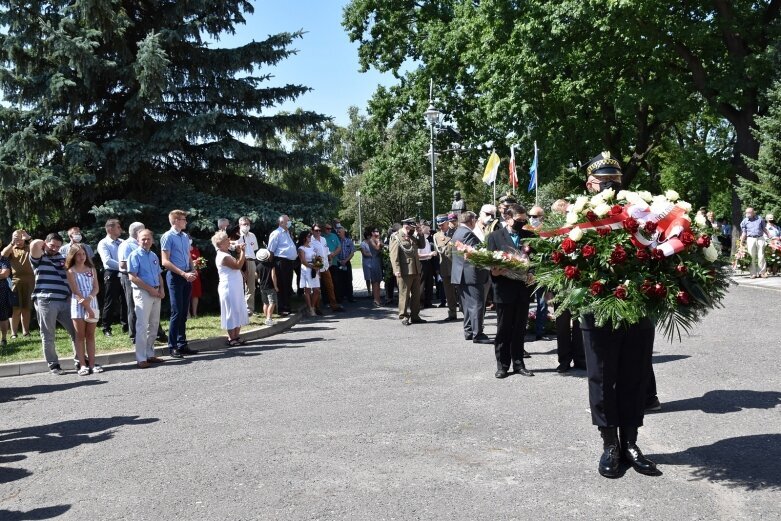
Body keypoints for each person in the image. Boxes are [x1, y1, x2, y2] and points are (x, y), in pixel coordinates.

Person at [581, 151, 660, 478]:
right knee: (602, 377)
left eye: (615, 182)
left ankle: (631, 441)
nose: (611, 188)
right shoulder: (577, 217)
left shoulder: (641, 212)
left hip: (638, 306)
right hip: (598, 309)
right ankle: (609, 444)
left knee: (635, 373)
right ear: (589, 184)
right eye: (604, 182)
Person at [487, 204, 535, 378]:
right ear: (508, 218)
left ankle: (519, 364)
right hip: (504, 289)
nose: (522, 223)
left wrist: (532, 273)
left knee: (520, 329)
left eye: (524, 220)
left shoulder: (529, 235)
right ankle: (502, 365)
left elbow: (535, 259)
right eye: (519, 220)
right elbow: (490, 260)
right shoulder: (494, 236)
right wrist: (494, 270)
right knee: (504, 329)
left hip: (523, 289)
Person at [29, 233, 78, 375]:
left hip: (64, 300)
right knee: (48, 334)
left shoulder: (63, 259)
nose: (55, 249)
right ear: (45, 243)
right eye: (52, 245)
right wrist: (40, 243)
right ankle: (54, 365)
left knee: (76, 332)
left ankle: (80, 360)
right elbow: (34, 245)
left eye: (58, 246)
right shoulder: (38, 258)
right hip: (45, 300)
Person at [160, 209, 198, 358]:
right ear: (176, 221)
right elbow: (165, 261)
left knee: (183, 311)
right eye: (183, 219)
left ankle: (182, 344)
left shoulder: (184, 236)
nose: (186, 222)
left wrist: (193, 270)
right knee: (176, 311)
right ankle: (173, 346)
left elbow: (188, 255)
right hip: (176, 277)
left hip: (187, 275)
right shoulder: (167, 236)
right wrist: (183, 273)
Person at [128, 229, 166, 368]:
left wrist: (161, 289)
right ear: (138, 240)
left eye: (148, 238)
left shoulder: (154, 256)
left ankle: (150, 354)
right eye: (143, 239)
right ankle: (141, 357)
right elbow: (132, 277)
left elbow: (159, 274)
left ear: (152, 240)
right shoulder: (134, 255)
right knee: (142, 325)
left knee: (154, 324)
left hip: (156, 292)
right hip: (143, 293)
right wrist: (150, 289)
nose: (146, 241)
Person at [451, 211, 490, 343]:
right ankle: (477, 334)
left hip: (461, 274)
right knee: (477, 304)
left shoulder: (458, 231)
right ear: (472, 220)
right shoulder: (467, 233)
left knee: (468, 305)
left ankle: (469, 331)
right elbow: (476, 253)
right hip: (471, 275)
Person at [65, 244, 102, 375]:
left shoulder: (91, 269)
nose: (82, 257)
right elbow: (75, 291)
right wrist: (87, 306)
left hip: (92, 302)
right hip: (78, 304)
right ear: (73, 256)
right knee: (80, 336)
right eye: (79, 254)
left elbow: (96, 287)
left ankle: (92, 364)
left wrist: (90, 299)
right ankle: (82, 365)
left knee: (91, 335)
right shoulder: (71, 271)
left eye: (83, 254)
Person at [213, 230, 249, 345]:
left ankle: (236, 336)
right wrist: (243, 252)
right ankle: (231, 338)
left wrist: (238, 251)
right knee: (231, 311)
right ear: (220, 244)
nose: (229, 242)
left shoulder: (227, 254)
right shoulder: (223, 256)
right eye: (226, 240)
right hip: (229, 286)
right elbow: (238, 265)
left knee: (238, 309)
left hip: (235, 285)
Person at [389, 218, 427, 326]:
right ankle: (404, 316)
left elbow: (422, 245)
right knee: (404, 294)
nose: (414, 228)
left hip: (415, 269)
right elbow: (393, 255)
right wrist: (396, 270)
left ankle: (415, 315)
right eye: (413, 226)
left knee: (416, 295)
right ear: (407, 225)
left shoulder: (412, 236)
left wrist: (420, 233)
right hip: (404, 270)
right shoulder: (396, 236)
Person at [97, 218, 127, 336]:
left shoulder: (122, 242)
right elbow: (107, 261)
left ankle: (126, 325)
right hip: (112, 273)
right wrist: (124, 266)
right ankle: (106, 327)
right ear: (110, 229)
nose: (120, 229)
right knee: (110, 300)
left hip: (124, 273)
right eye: (118, 227)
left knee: (126, 300)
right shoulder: (103, 243)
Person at [1, 230, 34, 338]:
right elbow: (3, 255)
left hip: (30, 281)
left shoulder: (29, 247)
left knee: (26, 307)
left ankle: (26, 332)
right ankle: (14, 333)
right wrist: (12, 243)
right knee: (16, 308)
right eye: (15, 237)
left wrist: (28, 238)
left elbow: (39, 249)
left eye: (19, 237)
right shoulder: (11, 249)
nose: (18, 239)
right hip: (15, 281)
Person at [118, 222, 145, 344]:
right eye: (143, 230)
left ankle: (157, 333)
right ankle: (133, 334)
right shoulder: (126, 245)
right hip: (129, 277)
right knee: (133, 305)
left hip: (142, 277)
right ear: (137, 232)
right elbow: (123, 264)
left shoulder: (140, 244)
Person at [310, 224, 344, 314]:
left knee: (330, 286)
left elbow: (326, 249)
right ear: (312, 231)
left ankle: (334, 305)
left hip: (325, 265)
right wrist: (317, 266)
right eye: (316, 230)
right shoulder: (311, 241)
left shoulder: (323, 239)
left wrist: (329, 258)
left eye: (319, 230)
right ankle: (317, 307)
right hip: (317, 265)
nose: (318, 232)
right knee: (317, 288)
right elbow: (312, 254)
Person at [267, 215, 297, 315]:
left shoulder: (287, 232)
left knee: (288, 284)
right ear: (281, 222)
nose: (289, 222)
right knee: (281, 284)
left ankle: (287, 306)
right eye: (287, 221)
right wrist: (271, 264)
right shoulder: (276, 233)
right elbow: (271, 250)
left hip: (289, 262)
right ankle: (281, 308)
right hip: (280, 262)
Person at [433, 215, 458, 321]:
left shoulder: (456, 233)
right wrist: (437, 269)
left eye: (442, 224)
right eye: (439, 225)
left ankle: (466, 312)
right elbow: (437, 254)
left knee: (461, 291)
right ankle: (452, 313)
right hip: (444, 268)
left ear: (448, 223)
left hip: (457, 267)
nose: (441, 227)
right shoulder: (436, 236)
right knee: (449, 293)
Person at [236, 216, 259, 316]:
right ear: (240, 225)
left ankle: (249, 309)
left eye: (248, 224)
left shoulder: (252, 235)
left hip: (251, 260)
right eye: (244, 224)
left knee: (251, 286)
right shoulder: (236, 236)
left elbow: (254, 248)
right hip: (241, 261)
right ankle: (239, 308)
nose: (246, 226)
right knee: (239, 285)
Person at [739, 207, 769, 278]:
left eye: (749, 212)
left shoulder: (760, 219)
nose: (747, 214)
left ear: (753, 213)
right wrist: (741, 241)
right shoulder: (744, 221)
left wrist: (770, 237)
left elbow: (764, 229)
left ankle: (762, 273)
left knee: (761, 255)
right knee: (751, 256)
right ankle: (753, 273)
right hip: (750, 239)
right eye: (746, 213)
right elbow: (744, 233)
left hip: (760, 238)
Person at [297, 229, 321, 316]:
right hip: (306, 269)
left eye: (310, 236)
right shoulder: (301, 248)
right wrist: (312, 266)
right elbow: (303, 261)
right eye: (308, 236)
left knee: (317, 290)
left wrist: (318, 266)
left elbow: (317, 257)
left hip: (314, 269)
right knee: (307, 289)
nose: (310, 237)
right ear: (304, 238)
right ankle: (310, 308)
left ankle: (312, 306)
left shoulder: (312, 247)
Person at [360, 228, 383, 306]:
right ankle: (376, 300)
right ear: (372, 233)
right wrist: (379, 242)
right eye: (375, 231)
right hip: (374, 261)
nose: (377, 232)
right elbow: (376, 248)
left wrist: (379, 241)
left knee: (378, 281)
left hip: (378, 261)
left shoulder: (377, 240)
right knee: (375, 281)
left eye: (378, 231)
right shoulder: (371, 240)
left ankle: (378, 299)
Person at [417, 225, 437, 308]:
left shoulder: (427, 240)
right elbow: (417, 255)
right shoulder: (419, 240)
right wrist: (429, 254)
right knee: (422, 283)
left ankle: (428, 302)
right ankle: (420, 302)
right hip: (422, 263)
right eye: (427, 228)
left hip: (428, 262)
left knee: (429, 283)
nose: (429, 230)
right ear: (422, 229)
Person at [256, 248, 278, 326]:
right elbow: (273, 276)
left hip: (262, 287)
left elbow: (257, 277)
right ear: (268, 256)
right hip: (270, 287)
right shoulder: (271, 265)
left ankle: (267, 318)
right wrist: (275, 286)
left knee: (265, 303)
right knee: (272, 302)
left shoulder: (258, 266)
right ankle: (269, 318)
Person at [335, 226, 355, 302]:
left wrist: (346, 260)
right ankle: (340, 297)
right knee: (339, 280)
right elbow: (335, 252)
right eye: (337, 232)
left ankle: (350, 297)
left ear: (343, 232)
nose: (338, 233)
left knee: (349, 279)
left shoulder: (349, 241)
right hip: (339, 263)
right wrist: (339, 261)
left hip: (347, 262)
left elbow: (352, 252)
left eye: (339, 232)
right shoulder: (337, 241)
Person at [0, 252, 13, 349]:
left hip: (2, 291)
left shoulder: (3, 259)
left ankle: (3, 338)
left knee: (3, 316)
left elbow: (5, 274)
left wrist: (2, 273)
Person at [189, 237, 203, 318]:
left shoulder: (195, 249)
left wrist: (198, 263)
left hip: (196, 274)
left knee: (195, 294)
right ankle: (187, 314)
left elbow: (200, 260)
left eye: (190, 238)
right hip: (186, 273)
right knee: (186, 295)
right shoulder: (183, 250)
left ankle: (194, 313)